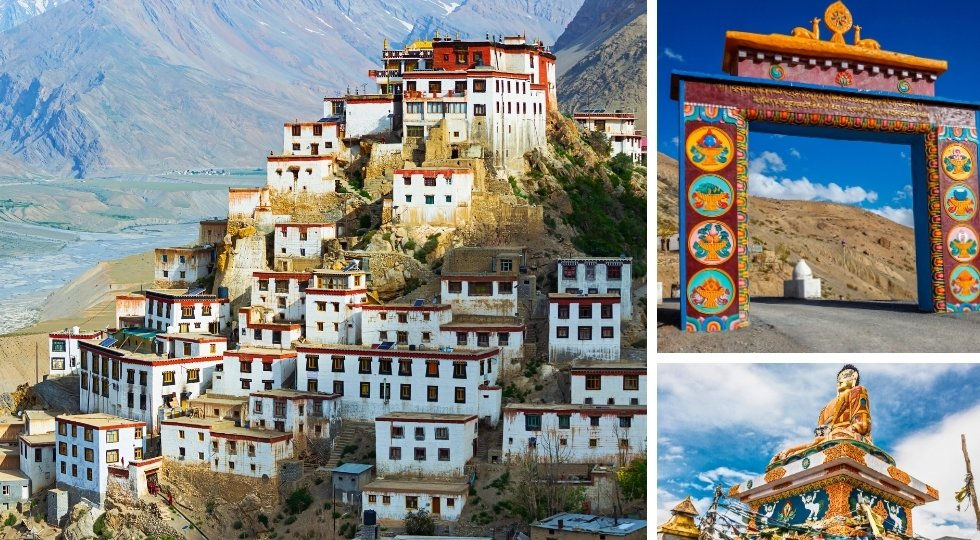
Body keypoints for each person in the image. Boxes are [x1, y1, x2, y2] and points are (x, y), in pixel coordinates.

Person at [769, 364, 872, 466]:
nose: (841, 380)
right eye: (839, 378)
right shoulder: (825, 409)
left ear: (854, 379)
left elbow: (862, 424)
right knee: (793, 454)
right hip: (827, 441)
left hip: (849, 436)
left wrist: (839, 432)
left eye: (845, 376)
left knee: (839, 438)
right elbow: (819, 438)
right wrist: (795, 449)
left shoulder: (858, 391)